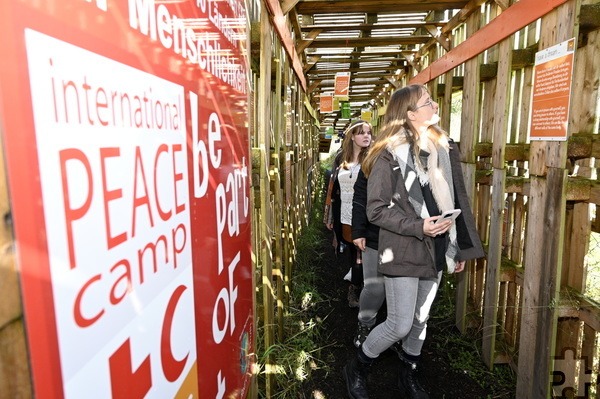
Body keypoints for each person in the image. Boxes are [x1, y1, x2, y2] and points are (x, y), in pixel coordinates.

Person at [343, 85, 485, 399]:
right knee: (399, 324)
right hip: (402, 248)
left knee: (420, 320)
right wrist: (419, 225)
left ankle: (408, 375)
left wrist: (455, 244)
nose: (435, 105)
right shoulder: (387, 154)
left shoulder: (441, 149)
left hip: (435, 248)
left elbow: (451, 200)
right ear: (409, 114)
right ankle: (357, 367)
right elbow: (376, 210)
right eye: (427, 102)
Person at [324, 120, 373, 307]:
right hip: (344, 214)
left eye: (368, 132)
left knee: (364, 255)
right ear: (352, 136)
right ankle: (356, 287)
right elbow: (332, 188)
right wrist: (329, 215)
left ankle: (361, 289)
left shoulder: (374, 158)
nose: (366, 136)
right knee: (353, 253)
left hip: (367, 215)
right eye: (361, 133)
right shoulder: (340, 159)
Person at [351, 168, 384, 347]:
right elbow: (360, 199)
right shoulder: (374, 160)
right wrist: (358, 230)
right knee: (375, 287)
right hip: (375, 235)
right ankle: (365, 325)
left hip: (408, 237)